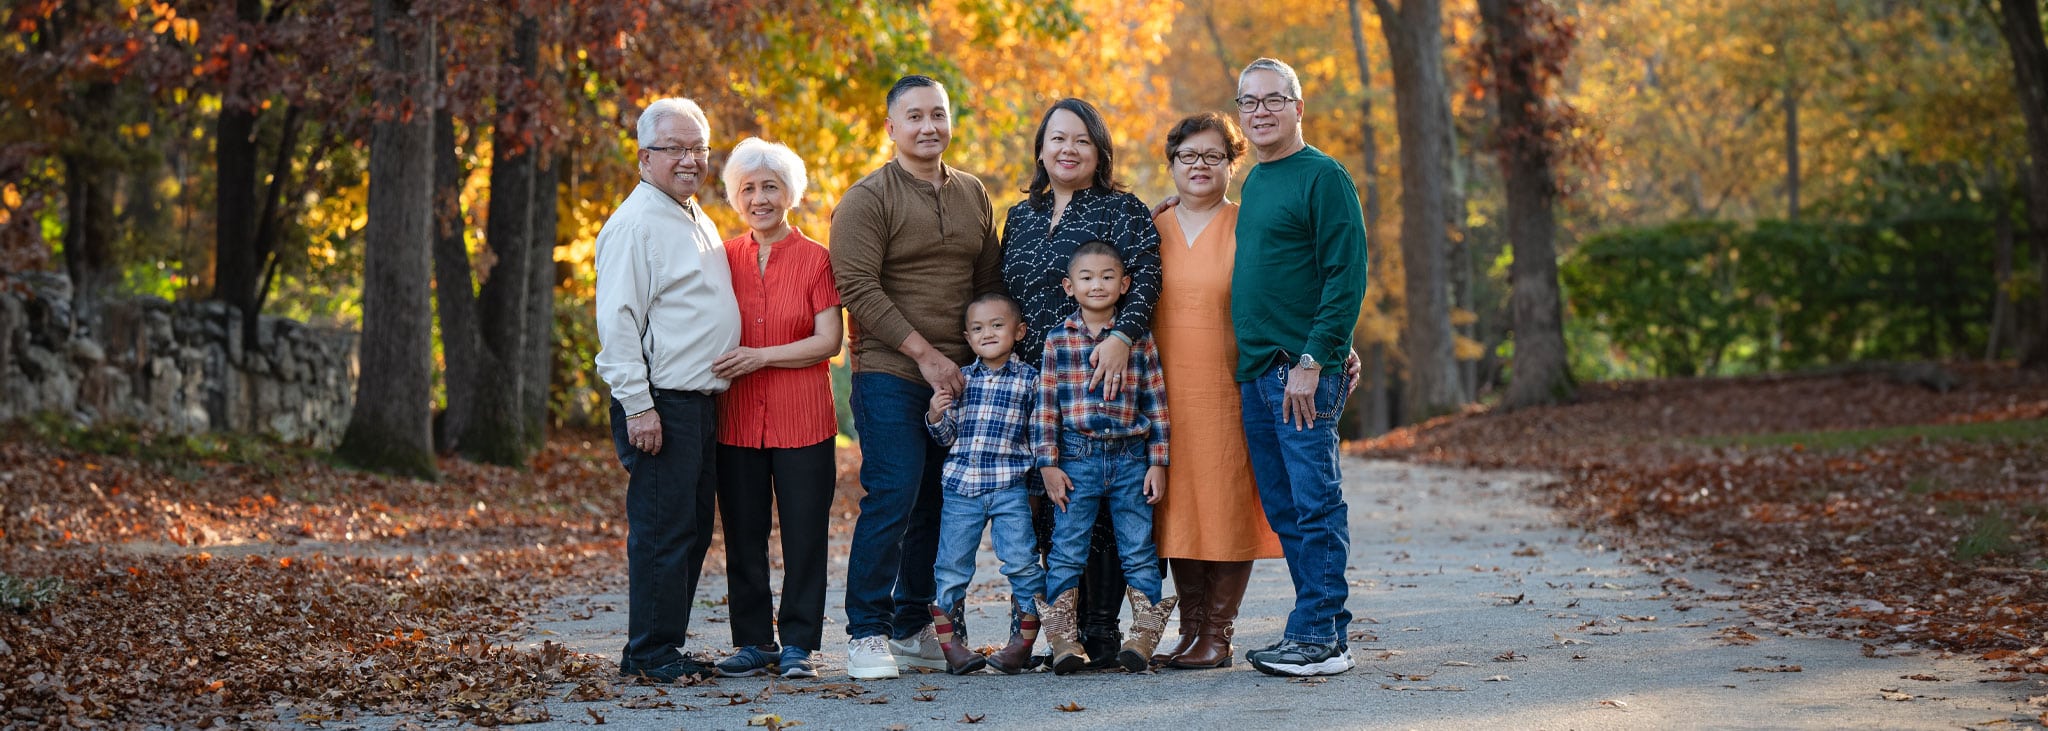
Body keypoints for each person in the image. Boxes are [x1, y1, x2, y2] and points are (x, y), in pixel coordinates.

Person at [831, 74, 1004, 680]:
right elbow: (856, 286)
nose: (928, 126)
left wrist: (980, 361)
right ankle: (866, 632)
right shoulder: (866, 199)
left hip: (959, 378)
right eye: (914, 116)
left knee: (939, 498)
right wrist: (925, 355)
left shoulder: (974, 194)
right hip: (890, 370)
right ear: (891, 127)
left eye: (938, 114)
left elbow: (987, 285)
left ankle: (911, 627)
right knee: (896, 491)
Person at [1000, 98, 1162, 668]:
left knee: (1111, 512)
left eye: (1081, 141)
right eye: (1057, 139)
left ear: (1099, 151)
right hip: (1038, 381)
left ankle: (1103, 628)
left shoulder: (1121, 209)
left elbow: (1148, 278)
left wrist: (1120, 338)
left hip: (1103, 374)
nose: (1067, 150)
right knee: (1051, 502)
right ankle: (1053, 634)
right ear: (1041, 148)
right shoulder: (1019, 216)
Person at [593, 97, 742, 683]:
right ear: (644, 156)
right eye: (676, 148)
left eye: (698, 148)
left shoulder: (689, 213)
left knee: (691, 529)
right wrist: (639, 406)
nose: (689, 159)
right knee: (662, 530)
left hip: (699, 401)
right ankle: (653, 652)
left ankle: (658, 647)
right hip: (661, 402)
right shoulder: (634, 224)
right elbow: (618, 323)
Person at [1230, 58, 1371, 677]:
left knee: (1315, 502)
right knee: (1286, 508)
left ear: (1297, 107)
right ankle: (1320, 627)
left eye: (1272, 100)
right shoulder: (1259, 181)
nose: (1260, 111)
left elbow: (1347, 275)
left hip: (1298, 372)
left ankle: (1322, 638)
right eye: (1249, 102)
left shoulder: (1324, 177)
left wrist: (1320, 357)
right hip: (1257, 372)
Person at [1147, 112, 1284, 670]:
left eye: (1213, 156)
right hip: (1161, 389)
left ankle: (1219, 635)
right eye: (1188, 156)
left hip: (1229, 386)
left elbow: (1290, 292)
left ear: (1233, 164)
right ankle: (1191, 629)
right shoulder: (1149, 228)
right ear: (1172, 163)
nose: (1200, 166)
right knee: (1177, 507)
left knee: (1225, 503)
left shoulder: (1249, 225)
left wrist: (1335, 345)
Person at [707, 138, 842, 680]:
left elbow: (829, 340)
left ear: (790, 192)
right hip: (736, 419)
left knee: (805, 534)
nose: (759, 198)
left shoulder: (816, 259)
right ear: (736, 198)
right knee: (743, 534)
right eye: (748, 189)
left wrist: (760, 356)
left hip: (804, 418)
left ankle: (800, 646)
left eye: (770, 186)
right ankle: (754, 642)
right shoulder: (720, 259)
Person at [1031, 240, 1176, 675]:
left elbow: (1156, 400)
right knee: (1067, 548)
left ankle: (1143, 637)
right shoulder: (1058, 340)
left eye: (1108, 276)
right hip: (1076, 459)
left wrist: (1158, 461)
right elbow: (1046, 405)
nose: (1098, 285)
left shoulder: (1139, 339)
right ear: (1069, 286)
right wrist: (1048, 463)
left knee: (1138, 549)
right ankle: (1063, 640)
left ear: (1125, 284)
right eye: (1087, 278)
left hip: (1132, 458)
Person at [922, 292, 1045, 676]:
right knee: (951, 567)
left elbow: (1040, 435)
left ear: (1019, 331)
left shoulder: (1031, 380)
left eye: (997, 325)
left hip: (1010, 487)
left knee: (1023, 562)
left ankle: (1020, 644)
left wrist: (1038, 488)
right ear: (967, 337)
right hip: (961, 488)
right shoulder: (960, 379)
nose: (987, 333)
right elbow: (945, 437)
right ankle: (953, 646)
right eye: (977, 328)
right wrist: (935, 414)